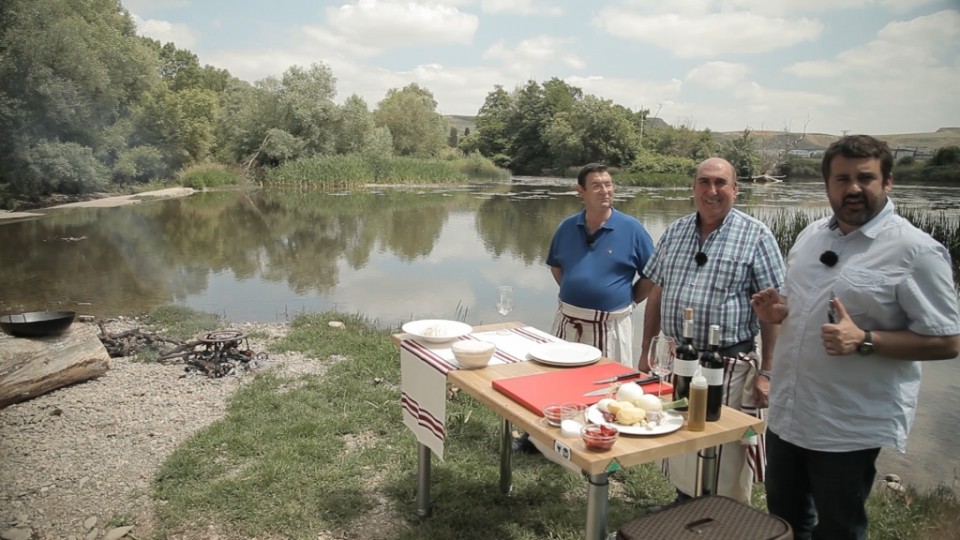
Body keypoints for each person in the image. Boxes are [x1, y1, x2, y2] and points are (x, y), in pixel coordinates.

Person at [751, 134, 960, 540]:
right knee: (785, 520)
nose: (853, 189)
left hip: (847, 425)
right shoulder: (810, 237)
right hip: (789, 415)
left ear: (888, 182)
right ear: (827, 184)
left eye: (865, 178)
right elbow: (800, 304)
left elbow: (948, 341)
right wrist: (779, 310)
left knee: (840, 529)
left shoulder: (916, 252)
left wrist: (865, 340)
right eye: (841, 179)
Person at [641, 157, 785, 503]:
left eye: (721, 183)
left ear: (735, 189)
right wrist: (647, 352)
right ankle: (685, 504)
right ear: (694, 188)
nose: (712, 190)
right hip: (679, 360)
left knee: (724, 449)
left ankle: (723, 517)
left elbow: (774, 311)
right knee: (683, 441)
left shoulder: (756, 236)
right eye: (704, 182)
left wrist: (767, 373)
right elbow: (656, 292)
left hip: (728, 364)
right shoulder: (675, 232)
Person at [546, 163, 655, 365]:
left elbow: (652, 275)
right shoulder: (567, 227)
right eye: (596, 186)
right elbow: (556, 266)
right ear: (581, 191)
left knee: (608, 391)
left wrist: (630, 301)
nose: (605, 191)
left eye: (608, 184)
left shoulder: (632, 229)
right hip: (567, 323)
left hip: (610, 328)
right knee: (559, 385)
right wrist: (577, 288)